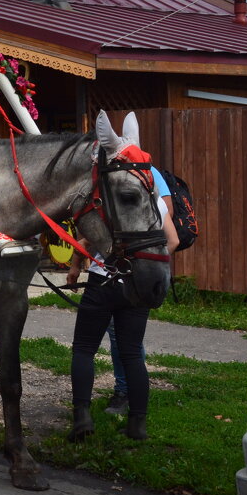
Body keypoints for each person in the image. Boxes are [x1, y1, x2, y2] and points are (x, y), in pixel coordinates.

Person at [66, 165, 179, 442]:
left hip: (102, 281)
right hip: (136, 284)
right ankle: (137, 425)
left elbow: (89, 240)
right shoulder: (155, 204)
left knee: (84, 349)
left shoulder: (111, 203)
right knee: (131, 353)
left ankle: (82, 418)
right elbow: (173, 241)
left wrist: (76, 264)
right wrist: (141, 263)